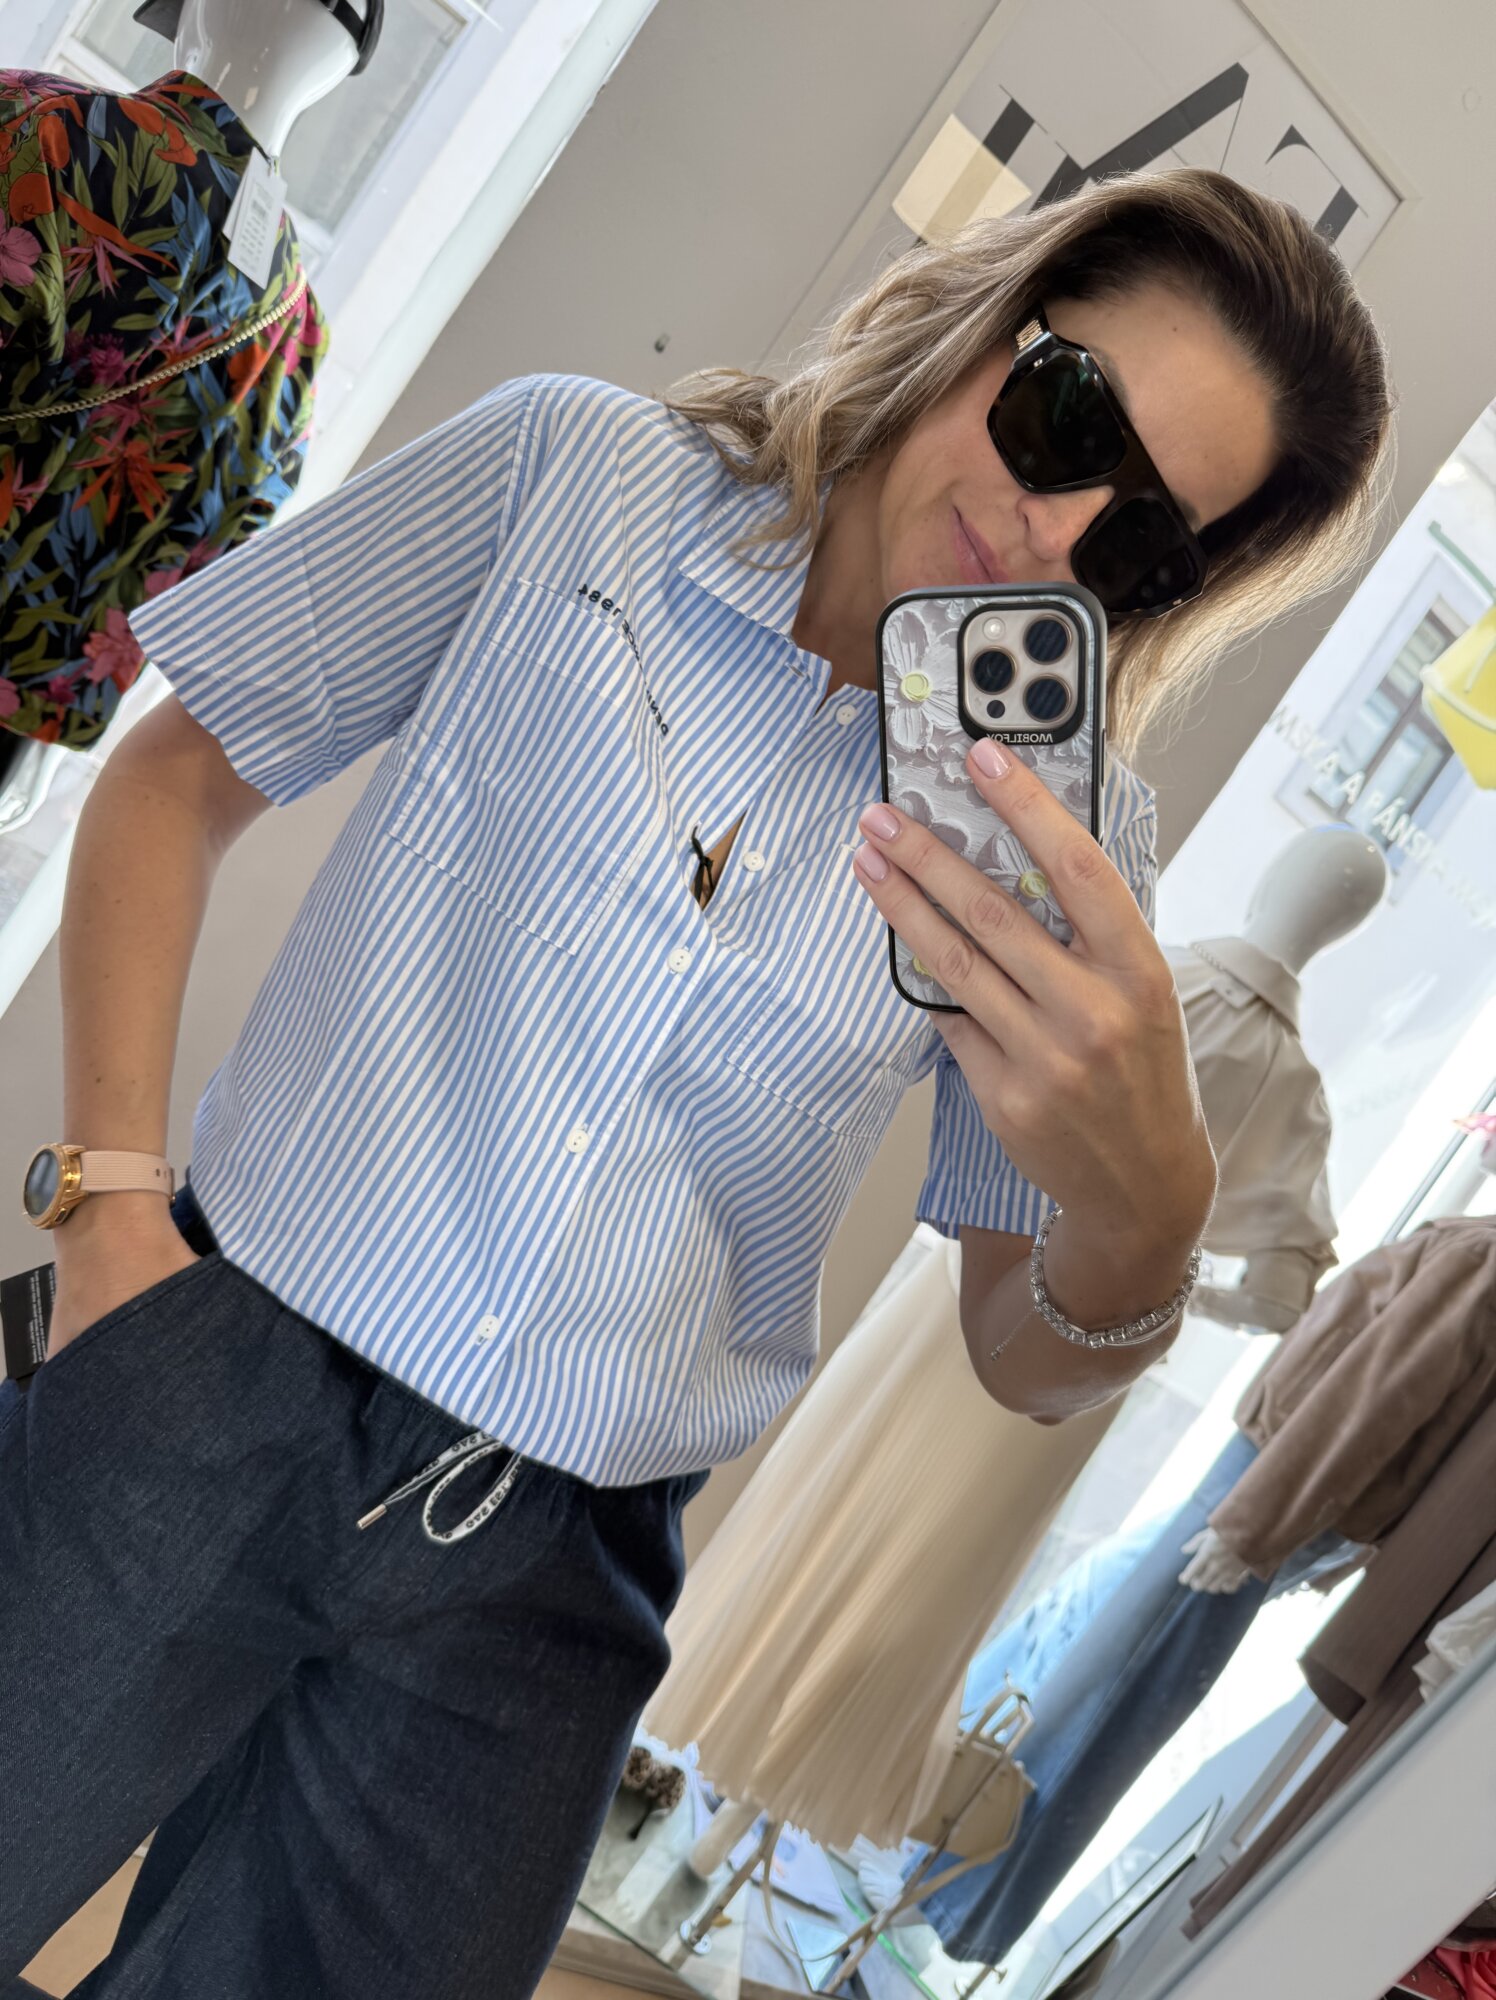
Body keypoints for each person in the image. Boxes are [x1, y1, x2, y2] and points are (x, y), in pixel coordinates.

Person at [0, 163, 1393, 1998]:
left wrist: (1148, 1218)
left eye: (1143, 540)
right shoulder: (576, 476)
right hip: (221, 1361)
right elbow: (179, 775)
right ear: (989, 317)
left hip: (547, 1577)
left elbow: (1019, 1345)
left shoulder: (1065, 850)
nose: (1055, 525)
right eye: (1070, 417)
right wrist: (102, 1215)